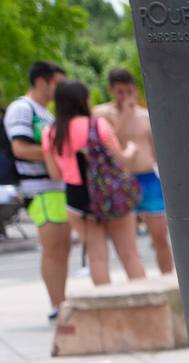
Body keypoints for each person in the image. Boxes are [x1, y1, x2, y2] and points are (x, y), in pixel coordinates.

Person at [42, 79, 146, 286]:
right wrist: (132, 150)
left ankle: (106, 313)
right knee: (129, 254)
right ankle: (145, 311)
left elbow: (55, 174)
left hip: (77, 201)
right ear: (83, 100)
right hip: (110, 196)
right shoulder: (97, 125)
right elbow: (122, 159)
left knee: (96, 257)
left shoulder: (50, 132)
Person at [5, 61, 70, 319]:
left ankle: (61, 301)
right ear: (42, 81)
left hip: (55, 186)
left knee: (62, 247)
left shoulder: (46, 113)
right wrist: (54, 155)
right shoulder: (23, 108)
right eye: (58, 83)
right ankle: (57, 305)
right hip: (40, 188)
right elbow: (19, 148)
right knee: (53, 248)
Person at [95, 69, 172, 276]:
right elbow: (109, 144)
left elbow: (156, 149)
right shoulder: (102, 115)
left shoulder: (145, 115)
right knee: (127, 242)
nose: (125, 97)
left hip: (147, 177)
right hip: (119, 181)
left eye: (129, 91)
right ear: (111, 90)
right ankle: (138, 280)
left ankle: (168, 277)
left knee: (160, 235)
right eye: (120, 92)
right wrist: (125, 116)